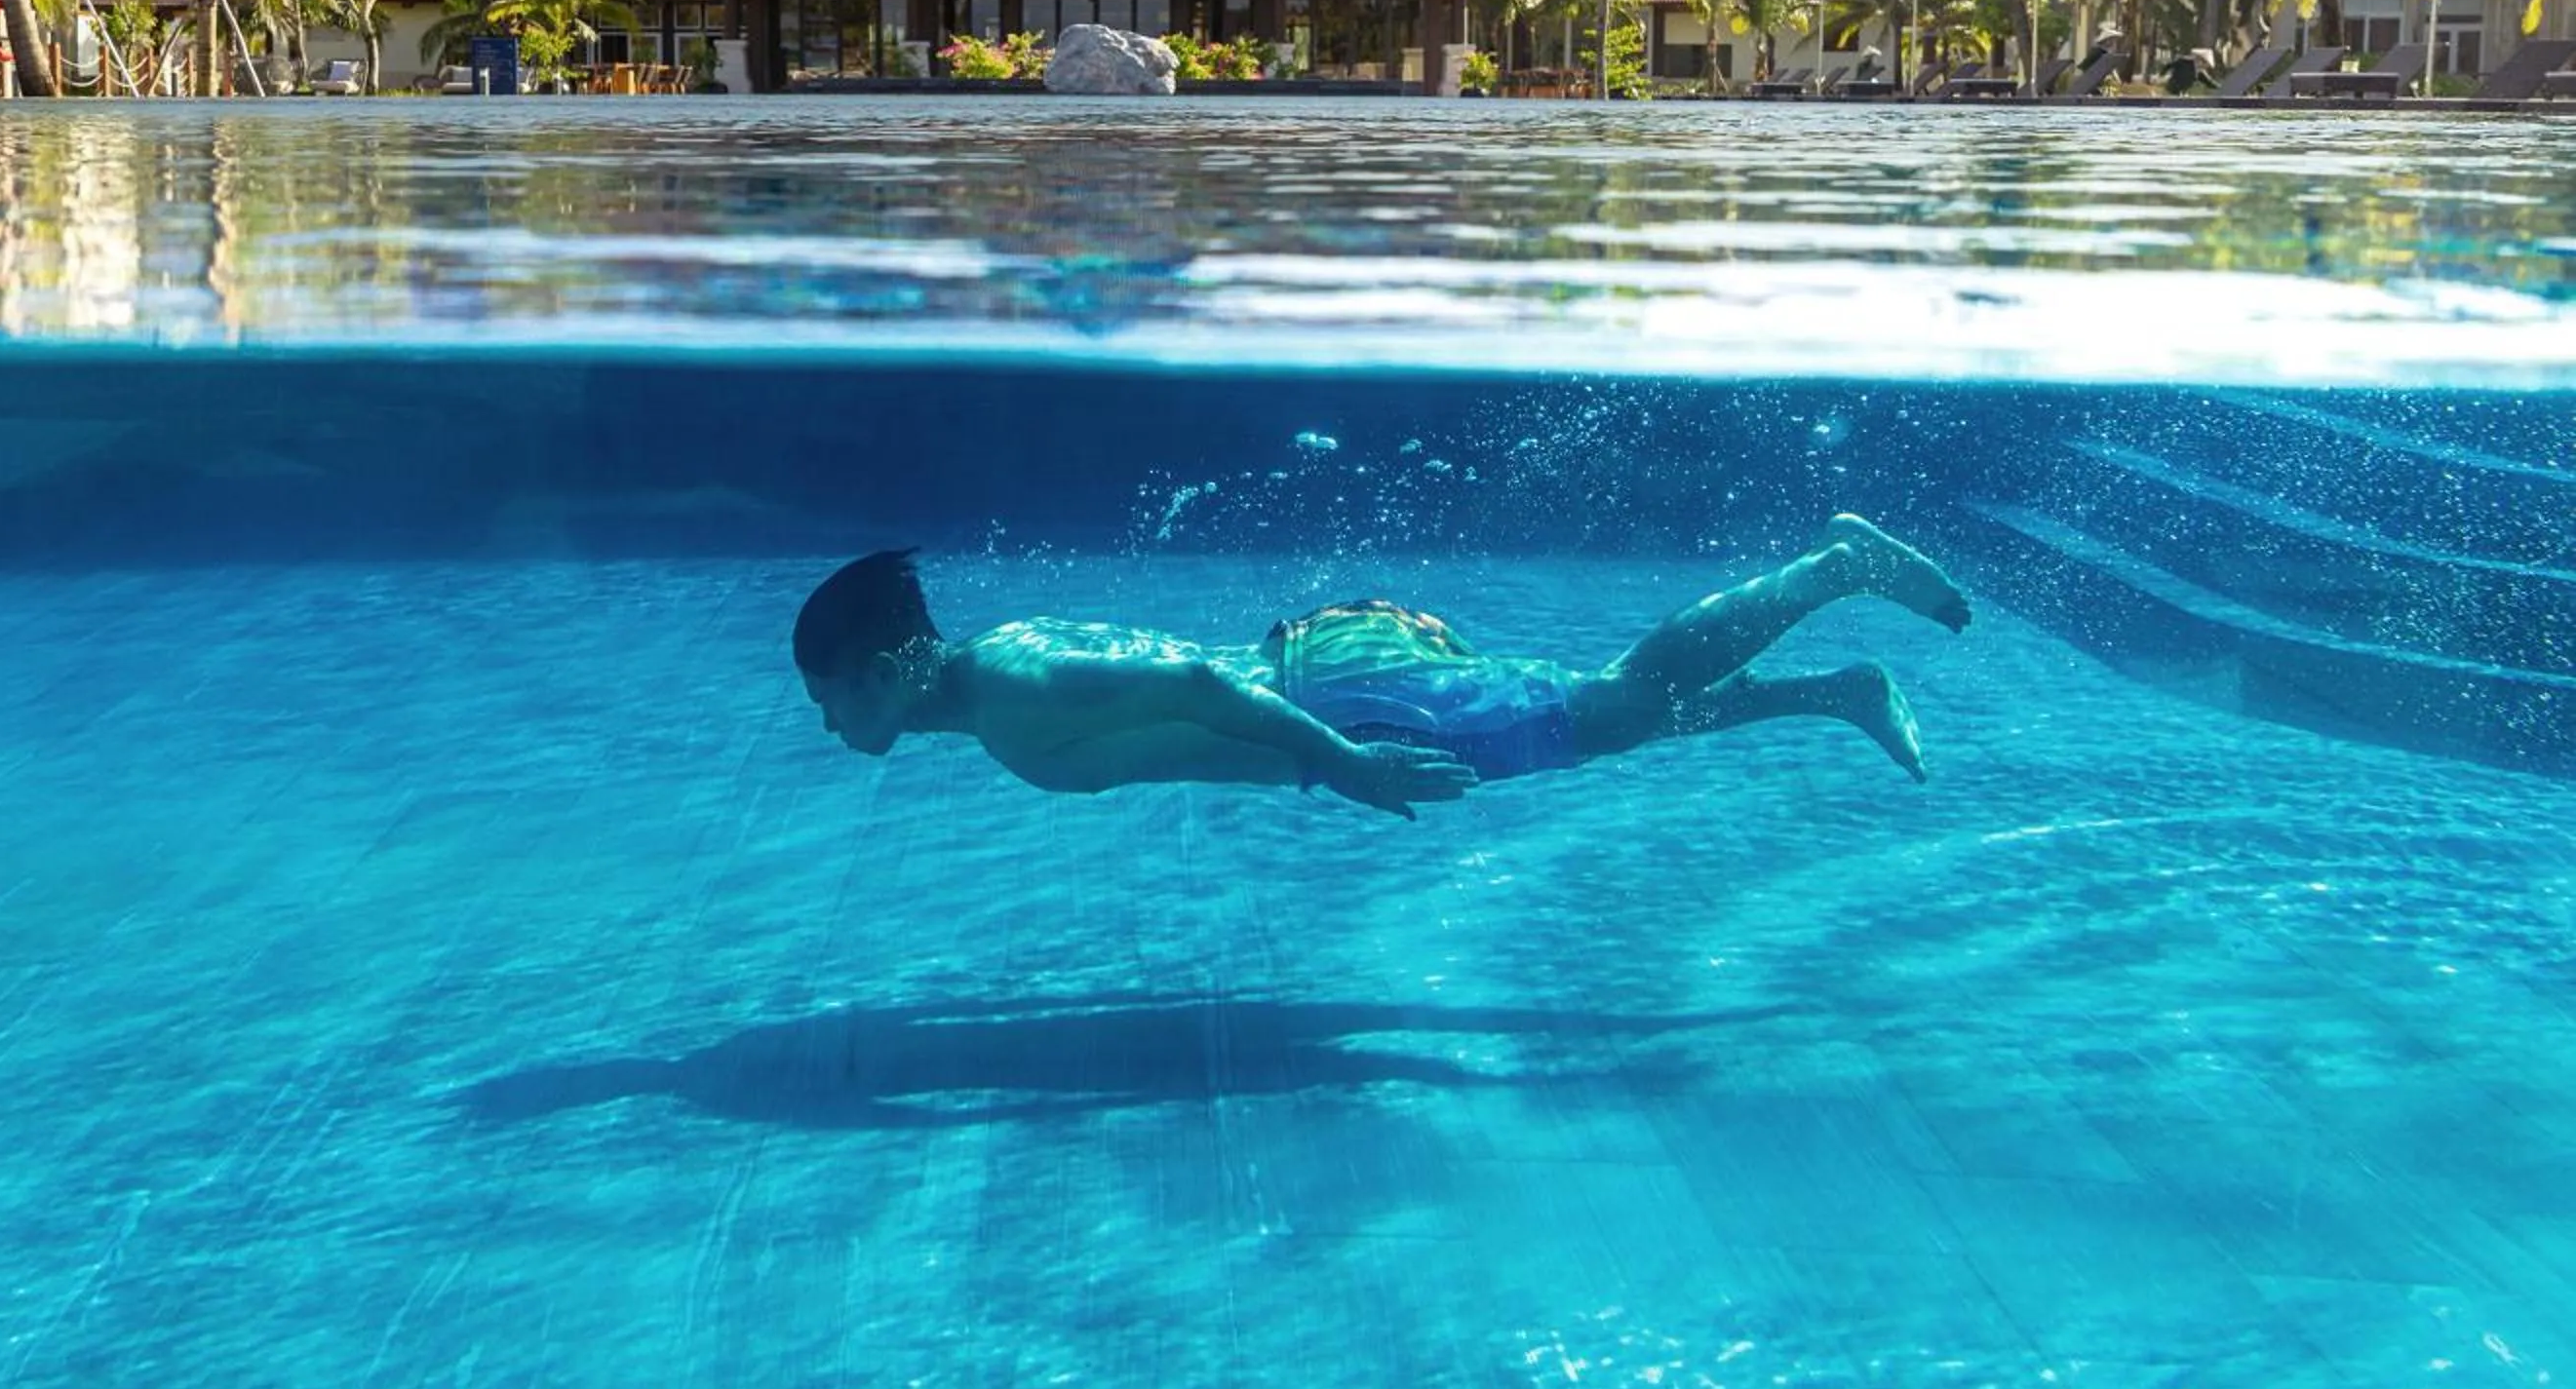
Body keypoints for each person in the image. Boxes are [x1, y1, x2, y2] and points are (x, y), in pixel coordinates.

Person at [790, 517, 1971, 820]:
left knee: (1612, 702)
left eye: (831, 690)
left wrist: (1348, 765)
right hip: (1318, 669)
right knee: (1601, 723)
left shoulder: (1011, 694)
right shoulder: (1006, 656)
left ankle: (1833, 568)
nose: (826, 719)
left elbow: (1201, 694)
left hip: (1330, 699)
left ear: (891, 665)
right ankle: (1836, 690)